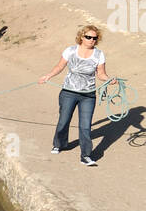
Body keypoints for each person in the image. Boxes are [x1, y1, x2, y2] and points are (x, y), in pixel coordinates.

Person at [39, 24, 108, 166]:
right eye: (88, 37)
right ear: (81, 37)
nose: (91, 40)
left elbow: (100, 73)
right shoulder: (70, 51)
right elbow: (60, 66)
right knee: (64, 120)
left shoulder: (99, 54)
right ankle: (59, 144)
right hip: (69, 93)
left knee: (85, 126)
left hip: (88, 95)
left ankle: (86, 156)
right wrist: (48, 76)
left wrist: (109, 79)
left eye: (95, 38)